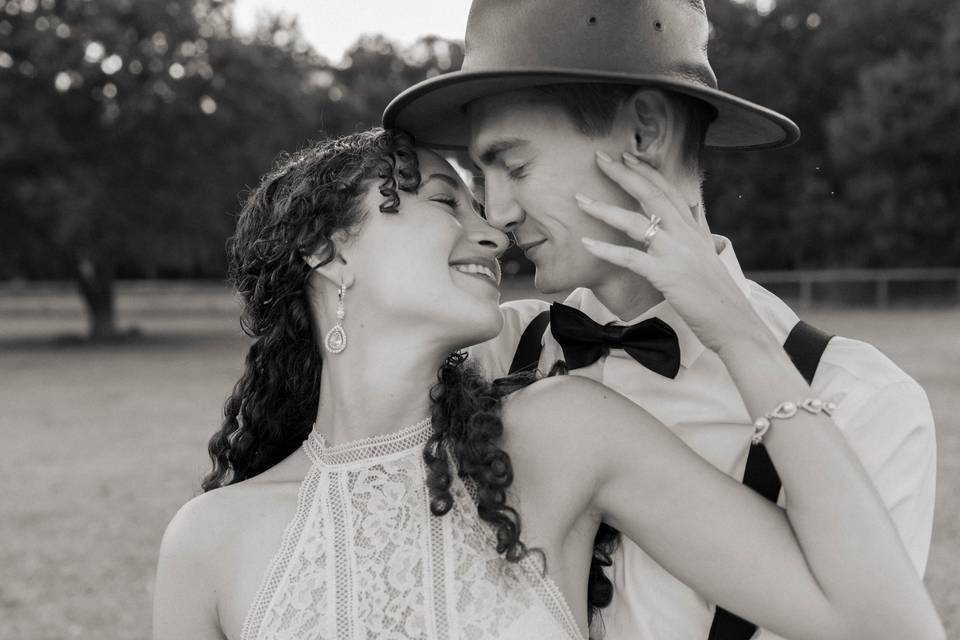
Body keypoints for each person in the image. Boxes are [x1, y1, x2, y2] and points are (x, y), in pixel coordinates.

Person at [152, 129, 943, 640]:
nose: (495, 229)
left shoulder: (563, 431)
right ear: (328, 252)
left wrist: (733, 325)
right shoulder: (206, 541)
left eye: (505, 175)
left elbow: (884, 625)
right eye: (441, 200)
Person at [382, 0, 938, 638]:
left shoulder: (862, 401)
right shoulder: (488, 353)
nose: (497, 213)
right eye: (480, 177)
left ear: (643, 134)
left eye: (515, 165)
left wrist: (741, 340)